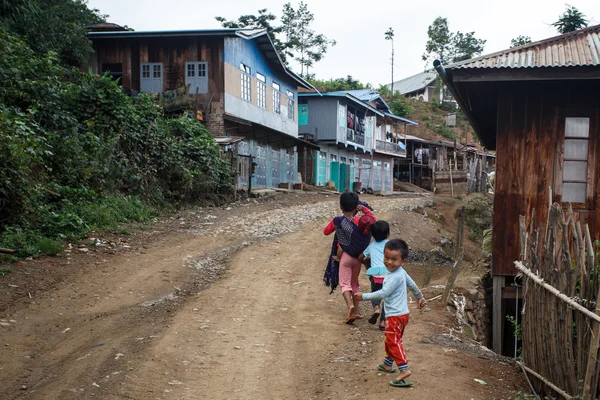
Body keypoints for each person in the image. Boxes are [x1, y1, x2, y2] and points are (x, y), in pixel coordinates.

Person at [354, 239, 425, 388]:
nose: (389, 262)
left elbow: (383, 293)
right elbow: (411, 283)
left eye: (394, 259)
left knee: (394, 341)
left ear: (403, 261)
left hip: (395, 316)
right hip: (402, 314)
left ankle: (404, 369)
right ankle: (387, 364)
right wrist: (419, 297)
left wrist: (364, 296)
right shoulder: (400, 272)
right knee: (391, 339)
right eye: (386, 257)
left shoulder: (395, 276)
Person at [323, 192, 374, 324]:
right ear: (356, 207)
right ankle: (356, 311)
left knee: (345, 284)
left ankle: (349, 306)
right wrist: (365, 210)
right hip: (357, 258)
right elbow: (373, 220)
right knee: (355, 283)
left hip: (344, 256)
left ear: (341, 207)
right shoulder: (361, 222)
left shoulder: (338, 221)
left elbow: (325, 231)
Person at [359, 220, 390, 331]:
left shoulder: (371, 247)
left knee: (375, 293)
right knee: (387, 298)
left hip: (375, 275)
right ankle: (383, 322)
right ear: (387, 234)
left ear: (372, 234)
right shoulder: (390, 244)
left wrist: (366, 262)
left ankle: (376, 308)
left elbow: (360, 257)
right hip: (388, 274)